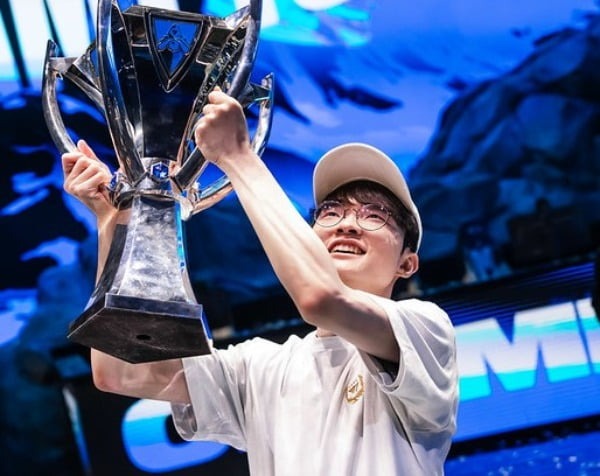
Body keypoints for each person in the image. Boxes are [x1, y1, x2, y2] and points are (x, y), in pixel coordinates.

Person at [62, 88, 458, 475]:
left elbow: (320, 298)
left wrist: (238, 156)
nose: (348, 225)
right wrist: (117, 223)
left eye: (375, 215)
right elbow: (122, 371)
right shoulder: (261, 368)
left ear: (407, 264)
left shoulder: (424, 330)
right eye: (331, 212)